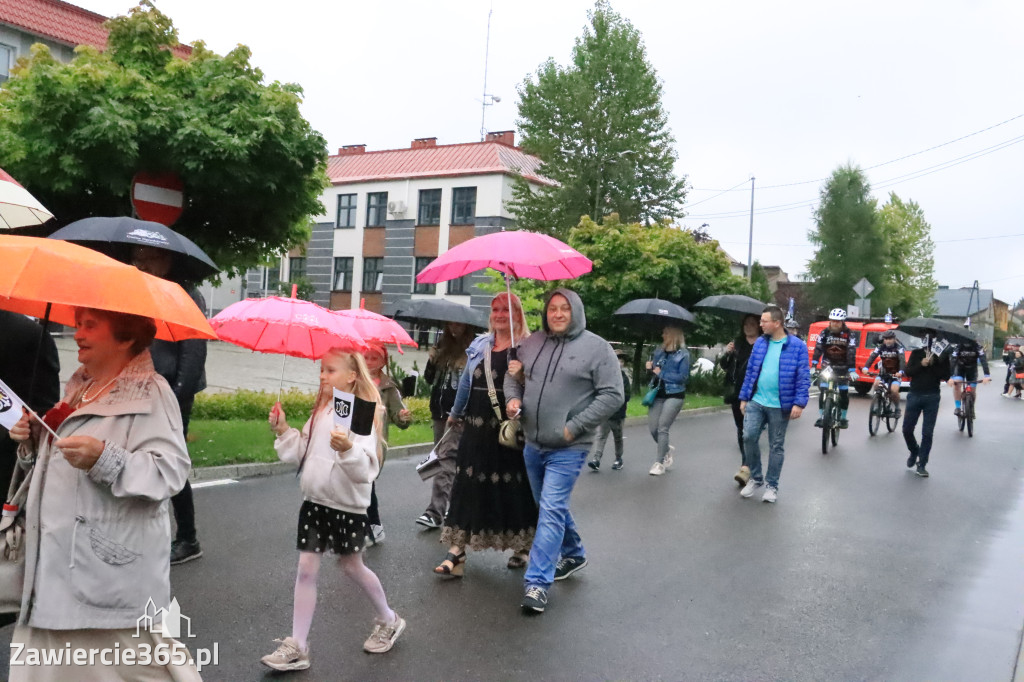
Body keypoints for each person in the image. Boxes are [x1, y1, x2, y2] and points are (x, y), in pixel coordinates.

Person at [7, 308, 197, 680]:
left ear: (126, 336)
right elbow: (60, 473)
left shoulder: (152, 393)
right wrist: (34, 443)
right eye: (77, 324)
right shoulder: (80, 387)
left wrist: (104, 459)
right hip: (53, 578)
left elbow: (169, 472)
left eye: (90, 325)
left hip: (106, 588)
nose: (77, 334)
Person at [262, 348, 405, 671]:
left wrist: (349, 449)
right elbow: (305, 453)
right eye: (321, 370)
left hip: (347, 507)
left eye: (330, 370)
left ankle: (388, 618)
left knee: (351, 566)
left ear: (352, 375)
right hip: (314, 504)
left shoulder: (361, 412)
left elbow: (366, 469)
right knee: (306, 570)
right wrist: (284, 430)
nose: (322, 376)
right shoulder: (323, 410)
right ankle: (297, 645)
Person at [505, 289, 623, 614]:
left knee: (551, 509)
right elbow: (512, 378)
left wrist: (575, 426)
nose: (557, 314)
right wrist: (513, 397)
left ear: (576, 312)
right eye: (552, 309)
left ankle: (537, 584)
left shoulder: (597, 349)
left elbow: (613, 395)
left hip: (569, 447)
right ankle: (575, 553)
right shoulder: (531, 343)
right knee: (547, 505)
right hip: (532, 442)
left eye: (564, 309)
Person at [434, 292, 537, 577]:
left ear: (518, 314)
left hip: (507, 429)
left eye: (506, 309)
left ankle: (522, 545)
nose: (500, 314)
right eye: (495, 309)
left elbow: (539, 389)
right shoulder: (481, 344)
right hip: (475, 427)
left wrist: (524, 374)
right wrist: (455, 413)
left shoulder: (528, 347)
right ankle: (456, 552)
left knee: (513, 488)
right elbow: (467, 381)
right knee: (466, 485)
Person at [132, 245, 209, 566]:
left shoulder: (186, 296)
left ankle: (188, 537)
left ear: (166, 260)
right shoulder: (145, 291)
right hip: (144, 387)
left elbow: (193, 355)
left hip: (174, 393)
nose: (141, 264)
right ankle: (144, 533)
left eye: (147, 258)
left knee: (170, 461)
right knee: (141, 458)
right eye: (138, 258)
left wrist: (177, 398)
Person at [737, 305, 811, 504]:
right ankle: (756, 478)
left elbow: (804, 376)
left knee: (776, 445)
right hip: (757, 400)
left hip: (781, 405)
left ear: (777, 323)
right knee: (748, 437)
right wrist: (744, 398)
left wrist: (799, 403)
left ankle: (772, 486)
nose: (760, 325)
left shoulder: (797, 346)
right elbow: (751, 372)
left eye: (764, 321)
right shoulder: (760, 343)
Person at [416, 322, 474, 529]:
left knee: (445, 459)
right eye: (451, 325)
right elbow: (429, 380)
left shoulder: (471, 352)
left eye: (459, 325)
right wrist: (432, 360)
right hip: (438, 411)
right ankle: (455, 506)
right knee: (445, 460)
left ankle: (435, 511)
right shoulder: (443, 348)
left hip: (456, 414)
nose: (454, 328)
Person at [362, 344, 412, 545]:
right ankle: (372, 525)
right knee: (362, 482)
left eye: (374, 358)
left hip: (375, 442)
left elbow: (399, 417)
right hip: (353, 438)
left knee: (366, 481)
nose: (369, 362)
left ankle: (370, 526)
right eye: (366, 357)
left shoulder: (388, 387)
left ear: (383, 361)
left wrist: (403, 417)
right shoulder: (354, 380)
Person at [903, 333, 952, 477]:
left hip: (932, 397)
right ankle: (914, 450)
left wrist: (933, 363)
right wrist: (921, 364)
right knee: (907, 429)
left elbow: (946, 375)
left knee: (927, 433)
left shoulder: (942, 356)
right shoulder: (916, 353)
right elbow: (908, 371)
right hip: (914, 395)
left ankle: (922, 464)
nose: (929, 343)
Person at [719, 314, 760, 486]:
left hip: (757, 393)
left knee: (751, 432)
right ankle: (748, 464)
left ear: (758, 326)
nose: (748, 327)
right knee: (742, 429)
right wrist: (727, 353)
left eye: (751, 324)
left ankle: (745, 466)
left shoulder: (763, 344)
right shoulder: (737, 343)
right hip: (737, 392)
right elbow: (725, 365)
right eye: (745, 324)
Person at [645, 325, 690, 476]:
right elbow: (654, 373)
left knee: (662, 427)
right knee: (653, 428)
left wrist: (661, 373)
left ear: (673, 335)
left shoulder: (683, 354)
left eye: (665, 333)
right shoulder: (658, 352)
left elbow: (682, 378)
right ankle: (666, 449)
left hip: (675, 394)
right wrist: (650, 368)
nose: (662, 335)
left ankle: (659, 463)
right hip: (658, 393)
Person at [811, 308, 857, 428]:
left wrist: (852, 369)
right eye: (832, 321)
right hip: (828, 365)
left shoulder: (850, 334)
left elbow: (851, 351)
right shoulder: (824, 332)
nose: (834, 323)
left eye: (837, 321)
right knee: (823, 389)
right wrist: (814, 365)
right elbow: (818, 347)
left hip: (843, 366)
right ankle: (822, 416)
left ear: (842, 322)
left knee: (843, 391)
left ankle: (843, 418)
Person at [587, 350, 631, 471]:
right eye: (616, 360)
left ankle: (618, 458)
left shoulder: (624, 378)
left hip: (618, 413)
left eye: (621, 361)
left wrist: (617, 402)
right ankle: (596, 459)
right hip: (605, 412)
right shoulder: (604, 377)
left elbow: (627, 395)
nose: (619, 363)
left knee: (618, 436)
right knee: (601, 436)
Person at [863, 329, 906, 417]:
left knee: (894, 391)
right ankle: (877, 401)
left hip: (895, 373)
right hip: (883, 372)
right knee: (876, 384)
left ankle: (897, 408)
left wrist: (901, 371)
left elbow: (902, 360)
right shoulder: (880, 346)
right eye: (886, 339)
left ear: (894, 339)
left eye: (890, 339)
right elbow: (872, 356)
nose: (888, 341)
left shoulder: (899, 347)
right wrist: (866, 367)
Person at [948, 335, 990, 416]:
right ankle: (958, 407)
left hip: (972, 369)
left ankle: (971, 407)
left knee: (973, 390)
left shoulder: (977, 346)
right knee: (957, 385)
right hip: (960, 368)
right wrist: (950, 376)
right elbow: (953, 360)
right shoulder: (959, 345)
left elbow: (983, 360)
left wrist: (987, 375)